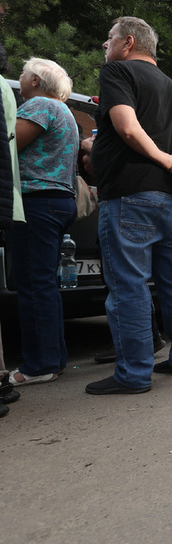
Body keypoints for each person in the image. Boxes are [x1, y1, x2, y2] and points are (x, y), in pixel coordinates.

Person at [86, 17, 172, 395]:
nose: (104, 46)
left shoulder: (117, 72)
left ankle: (133, 373)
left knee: (129, 285)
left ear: (128, 42)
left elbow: (127, 128)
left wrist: (164, 158)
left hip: (129, 196)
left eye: (108, 39)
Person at [6, 58, 79, 388]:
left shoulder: (38, 104)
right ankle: (54, 359)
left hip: (37, 202)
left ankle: (40, 365)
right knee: (44, 285)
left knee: (33, 286)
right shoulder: (65, 111)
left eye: (22, 74)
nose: (19, 78)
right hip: (60, 201)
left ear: (35, 80)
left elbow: (7, 150)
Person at [0, 43, 23, 408]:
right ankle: (2, 376)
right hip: (10, 196)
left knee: (35, 290)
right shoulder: (5, 89)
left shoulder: (41, 110)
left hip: (32, 201)